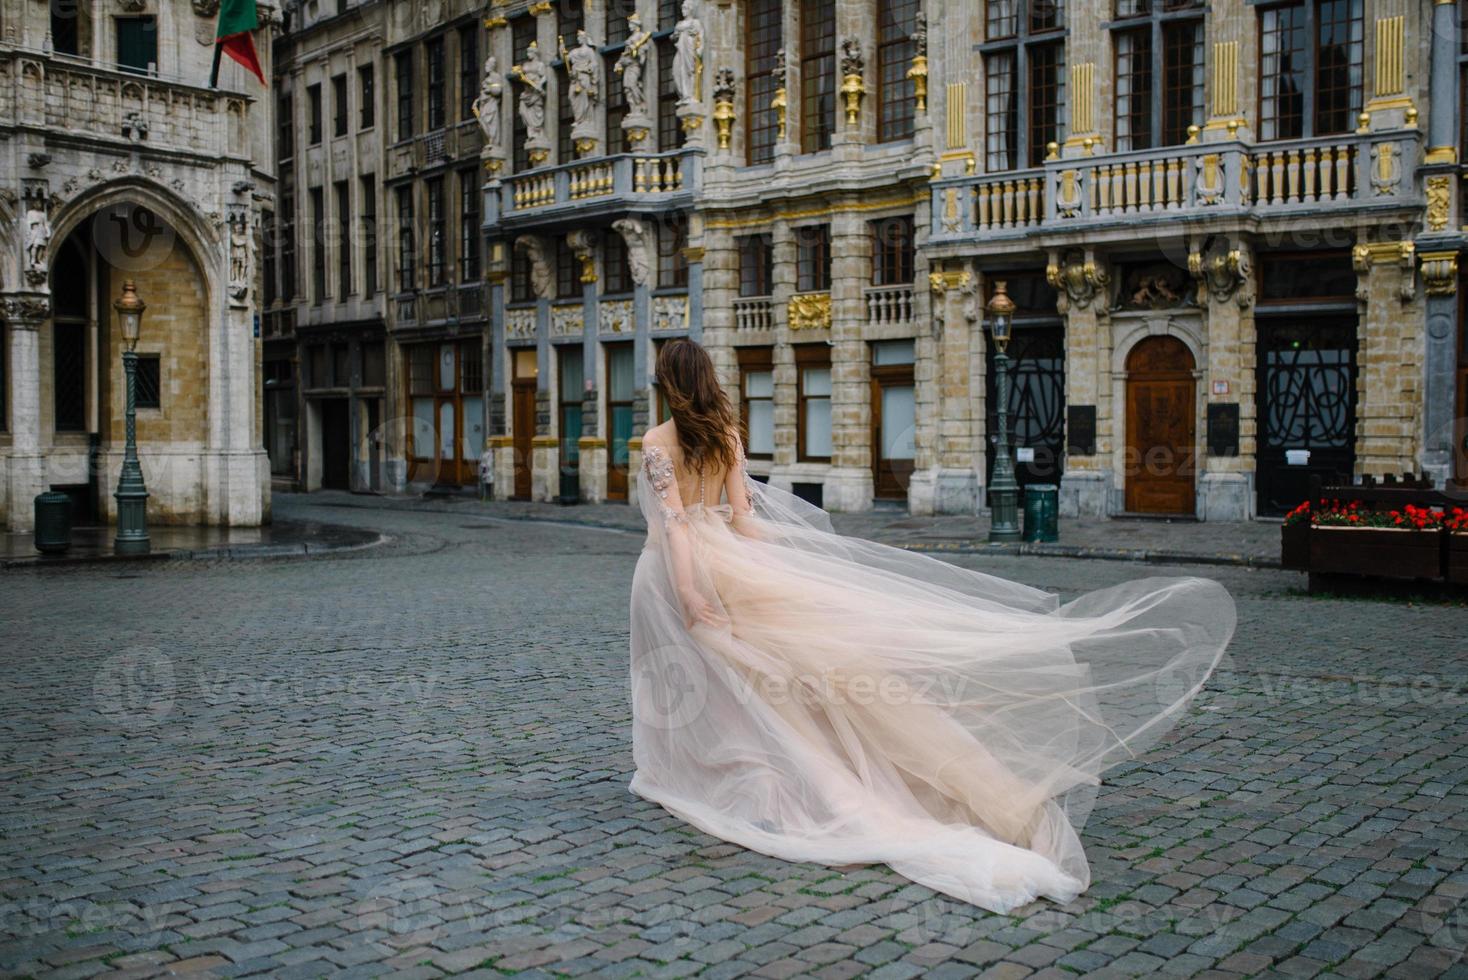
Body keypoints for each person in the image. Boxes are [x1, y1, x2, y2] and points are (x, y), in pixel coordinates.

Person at [628, 338, 1236, 914]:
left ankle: (713, 769)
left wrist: (688, 588)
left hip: (682, 568)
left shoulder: (657, 441)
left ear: (665, 384)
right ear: (706, 379)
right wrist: (777, 569)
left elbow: (678, 527)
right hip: (736, 563)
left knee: (708, 673)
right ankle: (742, 765)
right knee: (770, 675)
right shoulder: (726, 434)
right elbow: (744, 520)